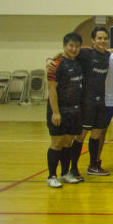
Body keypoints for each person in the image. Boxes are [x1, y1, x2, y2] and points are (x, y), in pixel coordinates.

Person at [46, 32, 84, 188]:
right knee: (57, 142)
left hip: (74, 111)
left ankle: (65, 173)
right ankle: (52, 176)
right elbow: (51, 90)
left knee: (68, 142)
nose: (73, 49)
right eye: (70, 46)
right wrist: (55, 112)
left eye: (76, 46)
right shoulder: (56, 64)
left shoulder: (77, 61)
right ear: (64, 46)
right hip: (59, 111)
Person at [72, 26, 111, 178]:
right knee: (81, 135)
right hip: (86, 102)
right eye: (99, 38)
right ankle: (73, 168)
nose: (102, 41)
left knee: (97, 134)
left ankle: (93, 166)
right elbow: (66, 54)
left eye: (105, 38)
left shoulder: (108, 55)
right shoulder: (85, 54)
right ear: (93, 40)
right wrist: (50, 59)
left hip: (101, 101)